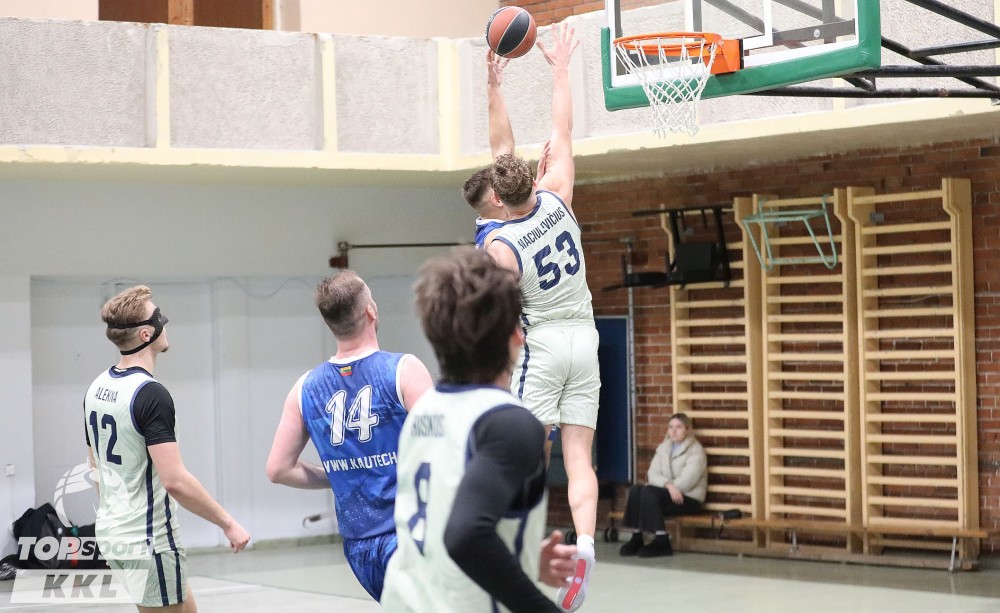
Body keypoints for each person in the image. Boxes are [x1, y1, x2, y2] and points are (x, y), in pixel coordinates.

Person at [381, 246, 578, 613]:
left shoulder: (423, 411)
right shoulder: (509, 424)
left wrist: (519, 554)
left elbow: (445, 520)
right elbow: (465, 536)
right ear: (516, 334)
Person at [484, 23, 598, 612]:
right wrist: (559, 70)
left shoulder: (500, 244)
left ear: (497, 199)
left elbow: (500, 150)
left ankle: (523, 548)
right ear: (535, 177)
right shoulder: (558, 194)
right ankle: (586, 548)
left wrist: (493, 88)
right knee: (580, 456)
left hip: (546, 343)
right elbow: (562, 130)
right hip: (587, 337)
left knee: (529, 449)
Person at [266, 271, 433, 601]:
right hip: (410, 534)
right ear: (371, 310)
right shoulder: (403, 370)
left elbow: (278, 469)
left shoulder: (305, 388)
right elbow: (443, 447)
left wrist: (340, 474)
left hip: (359, 548)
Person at [85, 285, 251, 612]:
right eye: (159, 317)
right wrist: (228, 523)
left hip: (114, 532)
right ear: (146, 334)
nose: (165, 323)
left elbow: (94, 465)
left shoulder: (97, 386)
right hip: (149, 539)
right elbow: (175, 481)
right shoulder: (150, 394)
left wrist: (118, 519)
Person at [463, 52, 550, 249]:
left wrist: (493, 88)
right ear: (497, 200)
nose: (509, 178)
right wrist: (540, 190)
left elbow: (502, 145)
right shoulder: (494, 241)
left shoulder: (505, 219)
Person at [618, 413, 707, 558]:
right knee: (637, 490)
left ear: (687, 429)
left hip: (688, 498)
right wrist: (668, 486)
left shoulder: (696, 451)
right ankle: (637, 537)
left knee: (649, 492)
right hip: (668, 494)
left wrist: (667, 488)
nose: (674, 431)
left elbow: (688, 480)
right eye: (671, 427)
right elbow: (652, 473)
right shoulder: (663, 448)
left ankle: (662, 541)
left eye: (679, 427)